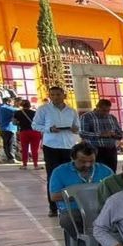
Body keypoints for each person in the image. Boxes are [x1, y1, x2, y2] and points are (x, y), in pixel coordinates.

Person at [33, 85, 82, 215]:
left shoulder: (71, 111)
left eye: (58, 94)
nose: (55, 97)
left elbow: (78, 126)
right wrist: (49, 129)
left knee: (70, 174)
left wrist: (75, 129)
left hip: (69, 146)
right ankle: (53, 207)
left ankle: (71, 204)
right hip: (52, 146)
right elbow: (35, 125)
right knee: (52, 175)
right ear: (49, 96)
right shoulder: (44, 109)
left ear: (63, 95)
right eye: (52, 95)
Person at [79, 97, 123, 171]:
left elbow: (120, 133)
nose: (106, 113)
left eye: (108, 110)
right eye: (103, 110)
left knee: (111, 170)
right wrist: (101, 134)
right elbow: (83, 134)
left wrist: (115, 135)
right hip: (94, 149)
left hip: (111, 149)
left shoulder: (112, 117)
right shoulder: (86, 117)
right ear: (97, 107)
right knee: (97, 171)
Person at [13, 99, 40, 170]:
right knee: (35, 149)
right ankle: (36, 165)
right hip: (35, 132)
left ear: (21, 105)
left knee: (24, 149)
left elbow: (14, 123)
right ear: (29, 105)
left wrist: (20, 123)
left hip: (24, 132)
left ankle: (24, 165)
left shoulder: (17, 113)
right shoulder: (35, 112)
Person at [0, 95, 17, 163]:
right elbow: (18, 111)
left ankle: (8, 157)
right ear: (8, 102)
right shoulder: (6, 108)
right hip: (9, 128)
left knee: (6, 144)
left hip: (2, 128)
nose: (13, 104)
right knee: (11, 144)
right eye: (12, 102)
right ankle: (12, 158)